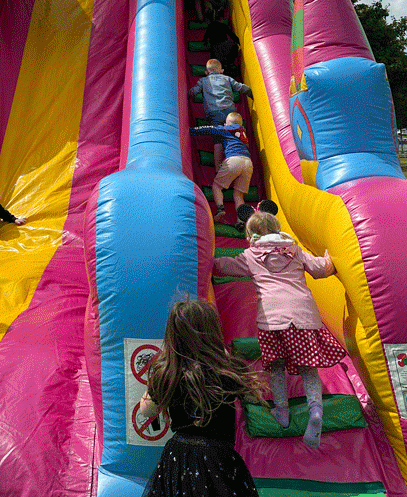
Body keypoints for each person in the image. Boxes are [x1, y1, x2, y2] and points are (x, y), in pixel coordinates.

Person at [213, 210, 344, 448]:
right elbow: (320, 270)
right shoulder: (294, 250)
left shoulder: (251, 255)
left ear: (250, 234)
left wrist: (207, 261)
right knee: (308, 369)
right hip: (303, 317)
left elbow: (226, 267)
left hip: (272, 320)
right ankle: (315, 410)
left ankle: (281, 411)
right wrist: (329, 259)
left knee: (275, 367)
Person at [139, 298, 263, 497]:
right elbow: (253, 395)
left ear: (173, 336)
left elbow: (146, 410)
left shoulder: (169, 373)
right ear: (213, 334)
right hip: (217, 457)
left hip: (179, 457)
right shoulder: (225, 370)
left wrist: (154, 383)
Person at [191, 112, 252, 218]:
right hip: (248, 162)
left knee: (217, 186)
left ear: (227, 124)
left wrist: (191, 131)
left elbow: (209, 129)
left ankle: (220, 208)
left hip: (234, 159)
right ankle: (240, 220)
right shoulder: (243, 132)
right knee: (238, 195)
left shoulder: (225, 129)